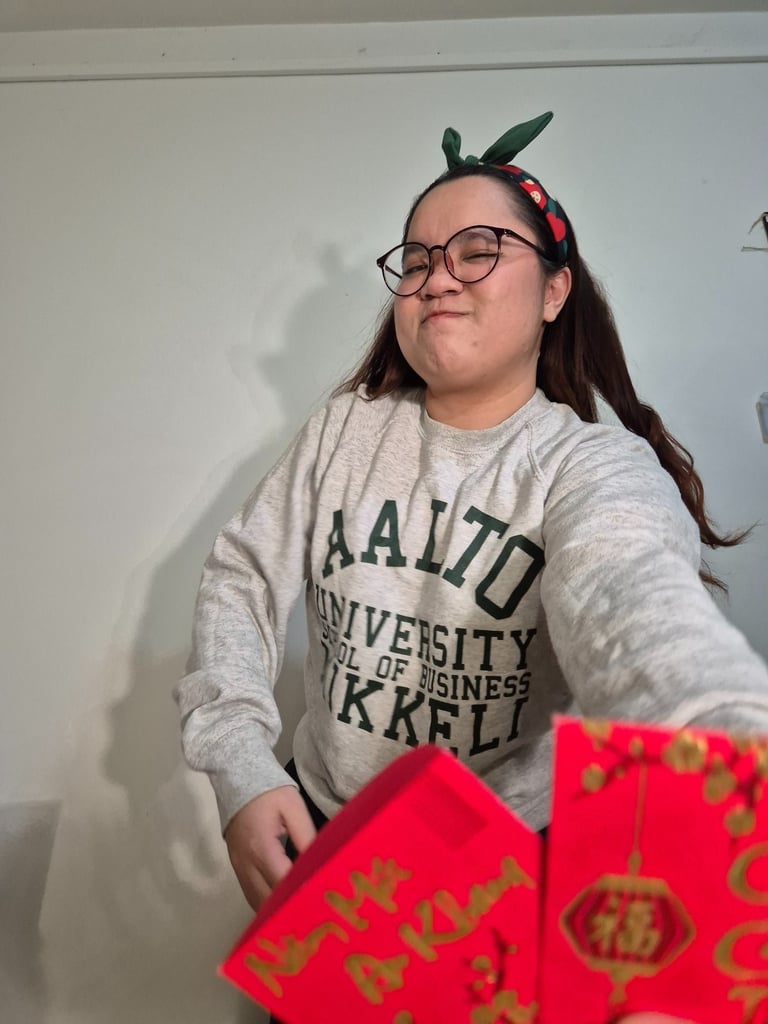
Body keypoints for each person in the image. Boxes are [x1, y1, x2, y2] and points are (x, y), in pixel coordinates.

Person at [174, 112, 768, 1019]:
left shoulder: (589, 468)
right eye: (416, 260)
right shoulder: (346, 427)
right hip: (327, 848)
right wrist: (240, 770)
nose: (436, 278)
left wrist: (732, 757)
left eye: (478, 250)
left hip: (507, 872)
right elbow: (241, 578)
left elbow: (636, 611)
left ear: (555, 290)